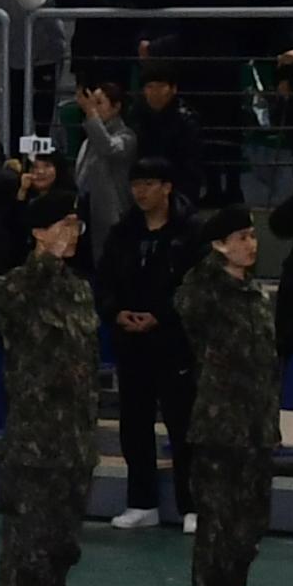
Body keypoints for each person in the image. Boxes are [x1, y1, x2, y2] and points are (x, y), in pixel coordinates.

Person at [0, 190, 102, 586]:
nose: (73, 232)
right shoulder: (12, 288)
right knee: (28, 553)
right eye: (63, 223)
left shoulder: (77, 290)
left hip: (72, 442)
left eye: (77, 224)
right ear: (37, 232)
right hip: (35, 444)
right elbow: (13, 302)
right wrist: (43, 259)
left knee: (60, 550)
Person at [176, 205, 281, 586]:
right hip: (221, 425)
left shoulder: (254, 293)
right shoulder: (206, 290)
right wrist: (210, 256)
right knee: (218, 522)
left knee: (249, 521)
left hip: (256, 424)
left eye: (252, 236)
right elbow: (186, 304)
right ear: (219, 244)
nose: (250, 244)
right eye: (239, 237)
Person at [97, 156, 193, 527]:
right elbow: (104, 281)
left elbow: (193, 286)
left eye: (149, 184)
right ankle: (141, 502)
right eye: (136, 184)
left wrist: (163, 315)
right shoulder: (122, 233)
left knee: (182, 424)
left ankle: (191, 505)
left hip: (173, 341)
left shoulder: (188, 232)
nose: (140, 191)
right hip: (130, 342)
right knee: (133, 423)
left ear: (167, 187)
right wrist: (115, 312)